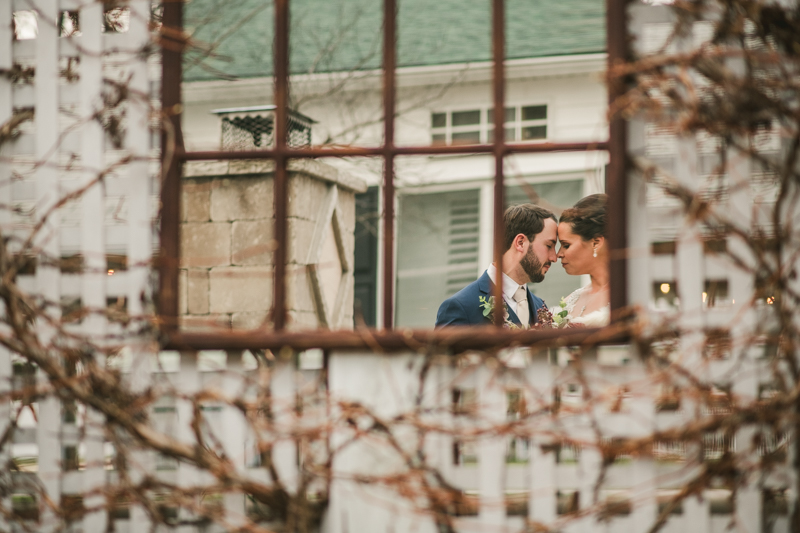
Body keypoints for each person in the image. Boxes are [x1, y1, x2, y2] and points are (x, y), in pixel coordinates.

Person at [435, 204, 558, 327]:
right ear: (520, 243)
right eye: (549, 246)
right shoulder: (461, 307)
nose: (554, 258)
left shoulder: (540, 307)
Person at [556, 194, 609, 327]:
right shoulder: (569, 302)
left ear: (596, 243)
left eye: (566, 245)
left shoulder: (628, 296)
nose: (558, 254)